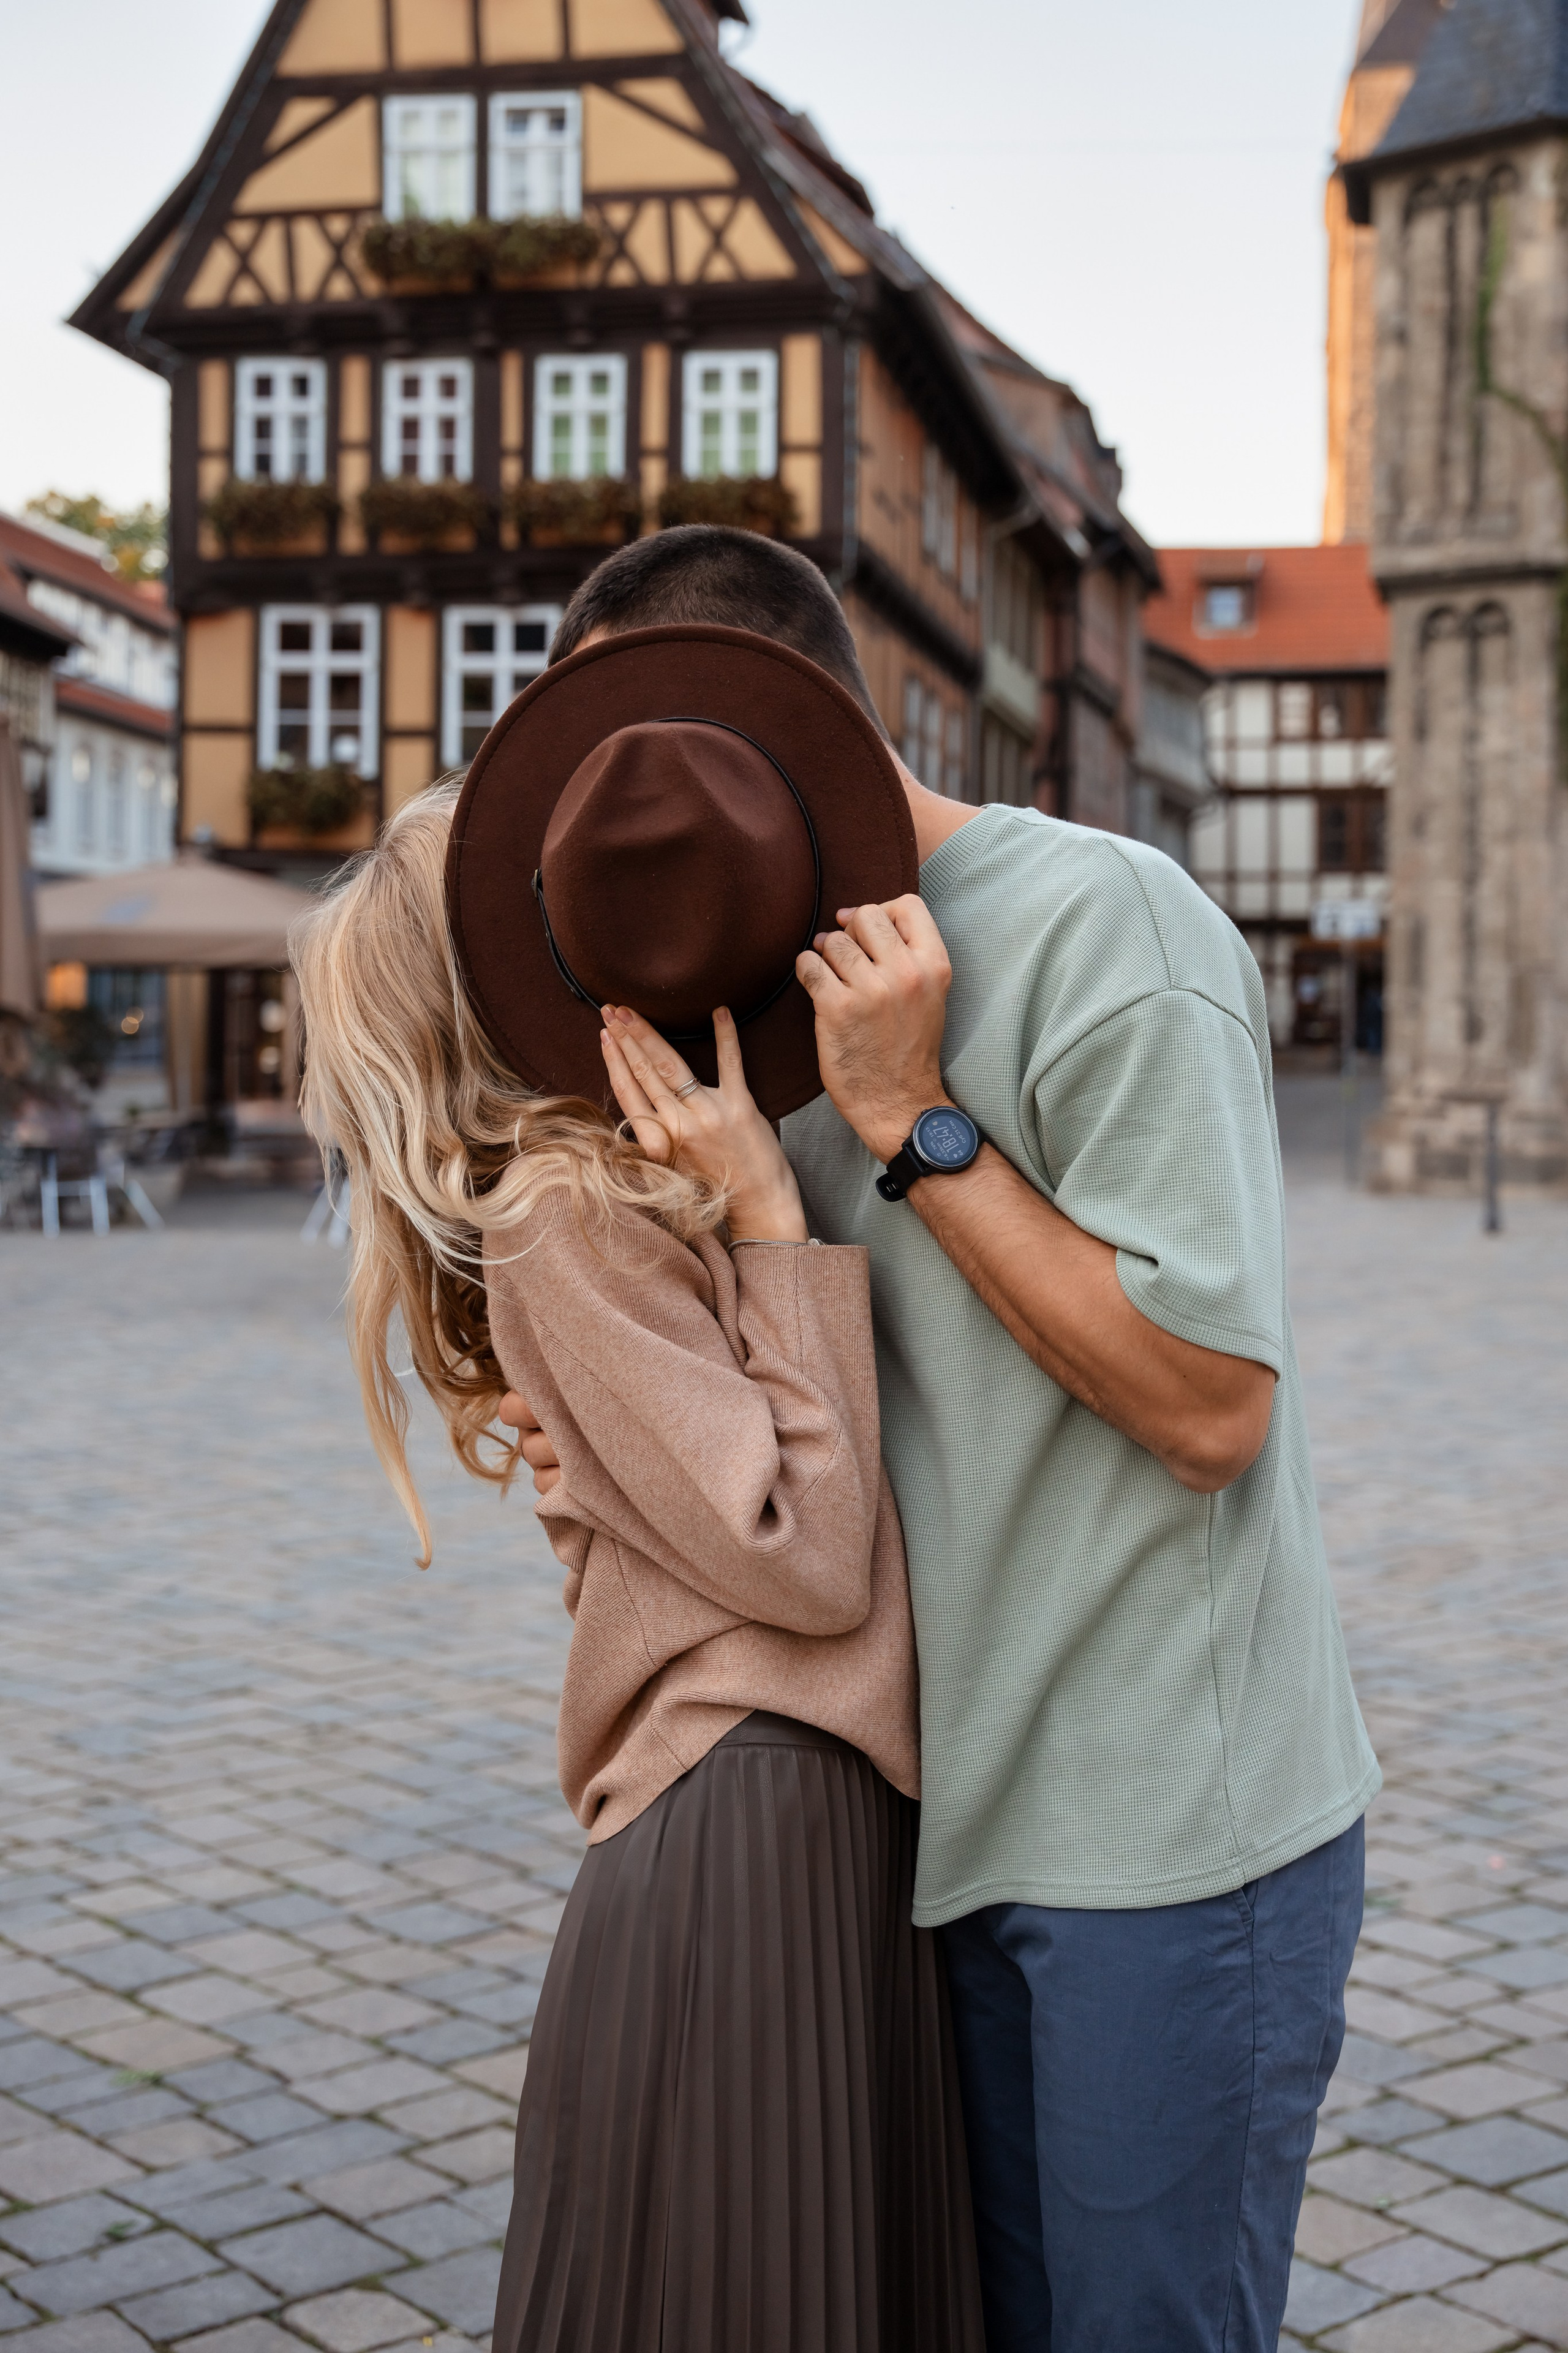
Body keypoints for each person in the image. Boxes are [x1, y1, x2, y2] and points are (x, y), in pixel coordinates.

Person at [503, 527, 1381, 2353]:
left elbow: (1212, 1407)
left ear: (774, 712)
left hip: (1165, 1835)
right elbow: (779, 1431)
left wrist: (916, 1122)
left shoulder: (1106, 922)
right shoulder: (715, 1003)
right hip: (918, 1835)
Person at [290, 624, 987, 2353]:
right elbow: (808, 1562)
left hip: (783, 1821)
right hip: (745, 1819)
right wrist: (769, 1219)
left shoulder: (595, 1201)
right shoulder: (562, 1214)